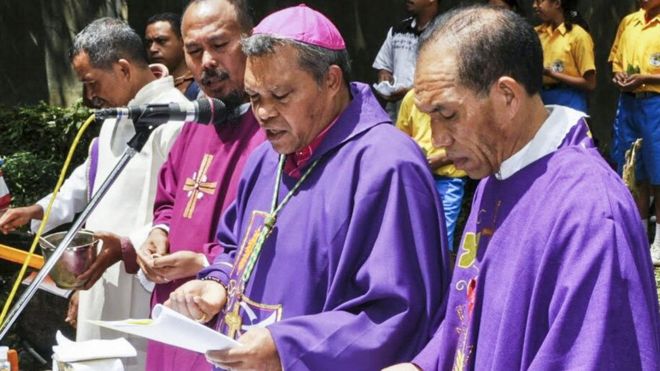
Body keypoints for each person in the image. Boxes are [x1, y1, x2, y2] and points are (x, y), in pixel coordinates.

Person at [165, 4, 450, 370]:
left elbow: (400, 313)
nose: (264, 113)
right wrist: (217, 283)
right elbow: (234, 246)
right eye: (254, 98)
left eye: (280, 96)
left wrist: (287, 347)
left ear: (331, 81)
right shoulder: (267, 158)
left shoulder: (388, 166)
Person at [386, 5, 660, 371]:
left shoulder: (588, 212)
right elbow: (472, 321)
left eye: (447, 114)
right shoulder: (496, 174)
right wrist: (421, 365)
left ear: (507, 97)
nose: (437, 139)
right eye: (428, 117)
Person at [0, 18, 187, 370]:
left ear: (123, 69)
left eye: (92, 83)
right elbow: (89, 175)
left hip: (142, 280)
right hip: (100, 271)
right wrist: (38, 210)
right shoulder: (116, 115)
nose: (89, 97)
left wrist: (130, 246)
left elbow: (182, 210)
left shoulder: (175, 119)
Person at [134, 0, 266, 370]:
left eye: (220, 45)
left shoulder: (273, 130)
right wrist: (157, 233)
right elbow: (169, 199)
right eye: (194, 51)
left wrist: (206, 262)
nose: (206, 61)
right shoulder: (196, 122)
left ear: (250, 41)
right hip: (172, 305)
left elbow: (276, 229)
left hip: (229, 312)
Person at [608, 0, 660, 265]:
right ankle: (638, 236)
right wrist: (619, 76)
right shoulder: (629, 22)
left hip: (656, 104)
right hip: (628, 103)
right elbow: (615, 58)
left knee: (658, 174)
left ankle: (659, 242)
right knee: (633, 171)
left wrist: (646, 79)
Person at [397, 89, 466, 250]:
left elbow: (470, 141)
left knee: (443, 238)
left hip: (448, 178)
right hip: (416, 175)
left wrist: (442, 158)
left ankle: (443, 274)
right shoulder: (412, 97)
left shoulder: (459, 96)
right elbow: (401, 137)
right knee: (413, 234)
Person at [372, 0, 439, 121]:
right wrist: (385, 80)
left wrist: (409, 91)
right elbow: (384, 66)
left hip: (427, 114)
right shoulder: (398, 30)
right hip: (396, 111)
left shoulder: (444, 32)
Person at [533, 0, 596, 113]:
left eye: (539, 1)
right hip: (541, 100)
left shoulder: (578, 36)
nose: (535, 6)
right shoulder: (535, 34)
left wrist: (552, 74)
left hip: (570, 102)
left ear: (557, 3)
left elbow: (590, 84)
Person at [145, 12, 201, 100]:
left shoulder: (202, 85)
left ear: (183, 42)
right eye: (149, 43)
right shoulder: (148, 88)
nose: (152, 49)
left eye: (161, 41)